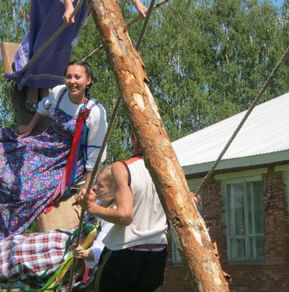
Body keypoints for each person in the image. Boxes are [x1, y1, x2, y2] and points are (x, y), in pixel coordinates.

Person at [0, 60, 107, 239]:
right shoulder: (60, 93)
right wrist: (29, 127)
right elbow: (43, 108)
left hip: (65, 160)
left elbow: (95, 154)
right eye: (69, 76)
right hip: (45, 143)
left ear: (88, 80)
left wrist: (88, 185)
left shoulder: (94, 112)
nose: (72, 81)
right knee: (5, 160)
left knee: (25, 191)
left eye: (77, 77)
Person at [5, 0, 148, 113]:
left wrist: (137, 4)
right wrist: (68, 5)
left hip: (78, 4)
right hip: (57, 3)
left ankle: (43, 84)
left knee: (63, 42)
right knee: (45, 38)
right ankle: (32, 84)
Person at [79, 131, 168, 292]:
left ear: (133, 137)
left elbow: (125, 215)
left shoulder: (122, 167)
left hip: (125, 252)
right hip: (157, 253)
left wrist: (91, 208)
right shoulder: (169, 167)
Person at [0, 165, 116, 288]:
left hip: (67, 253)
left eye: (100, 186)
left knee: (21, 258)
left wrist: (86, 253)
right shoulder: (99, 203)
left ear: (114, 192)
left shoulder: (111, 217)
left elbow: (100, 250)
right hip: (65, 238)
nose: (94, 187)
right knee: (17, 242)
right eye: (96, 182)